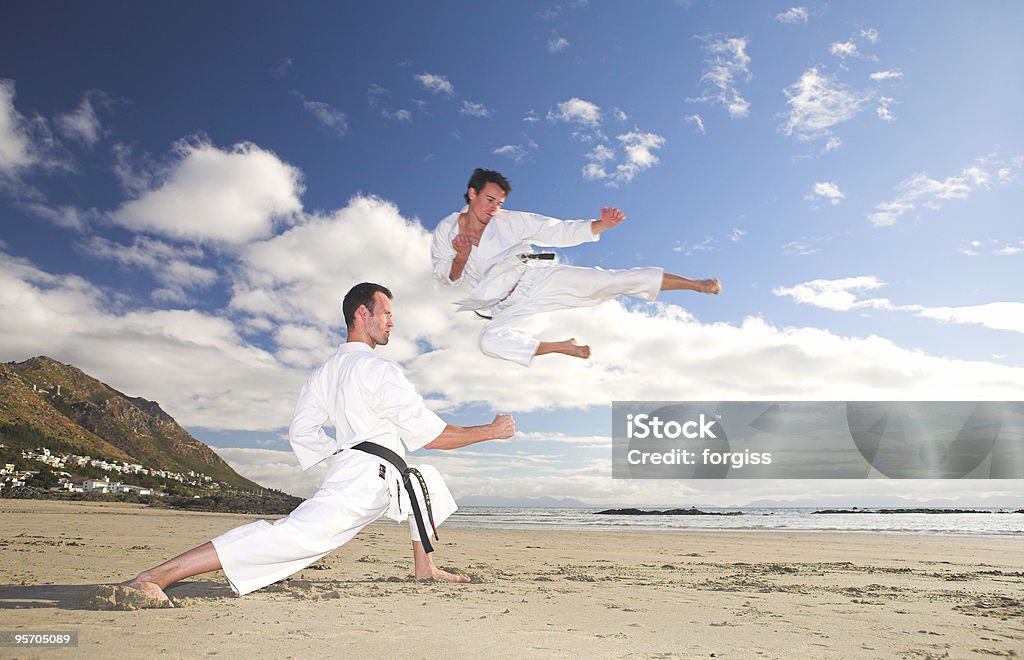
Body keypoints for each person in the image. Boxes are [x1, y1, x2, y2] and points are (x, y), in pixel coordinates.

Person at [123, 282, 515, 602]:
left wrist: (342, 454)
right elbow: (433, 436)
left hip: (371, 472)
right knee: (291, 536)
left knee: (423, 480)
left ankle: (424, 567)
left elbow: (302, 431)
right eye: (388, 314)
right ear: (363, 314)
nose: (392, 323)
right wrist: (492, 431)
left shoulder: (323, 372)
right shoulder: (379, 370)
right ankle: (158, 575)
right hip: (362, 479)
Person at [431, 168, 721, 366]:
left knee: (609, 282)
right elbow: (447, 278)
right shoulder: (446, 230)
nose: (494, 208)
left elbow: (556, 230)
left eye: (500, 202)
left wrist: (601, 225)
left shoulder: (510, 221)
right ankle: (561, 346)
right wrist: (461, 256)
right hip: (509, 307)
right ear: (472, 193)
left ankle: (697, 284)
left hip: (537, 278)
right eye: (489, 199)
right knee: (490, 342)